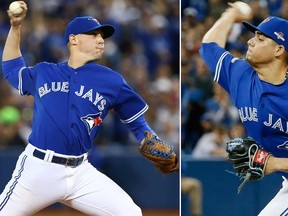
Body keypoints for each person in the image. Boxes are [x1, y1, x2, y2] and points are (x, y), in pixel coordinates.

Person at [0, 2, 177, 215]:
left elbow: (138, 125)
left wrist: (151, 139)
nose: (101, 40)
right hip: (39, 168)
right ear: (73, 39)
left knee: (131, 213)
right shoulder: (45, 71)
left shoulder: (112, 81)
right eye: (93, 35)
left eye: (102, 36)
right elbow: (11, 69)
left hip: (80, 172)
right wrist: (16, 27)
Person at [199, 2, 288, 215]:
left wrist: (275, 163)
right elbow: (209, 45)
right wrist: (231, 15)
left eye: (260, 38)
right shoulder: (241, 75)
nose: (250, 41)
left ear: (279, 49)